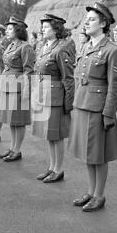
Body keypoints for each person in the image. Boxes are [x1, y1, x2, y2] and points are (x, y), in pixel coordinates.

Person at [68, 2, 117, 212]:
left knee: (98, 155)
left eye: (91, 19)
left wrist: (109, 114)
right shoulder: (86, 46)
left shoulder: (112, 50)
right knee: (87, 153)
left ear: (103, 23)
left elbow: (114, 86)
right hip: (82, 106)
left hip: (98, 110)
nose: (86, 22)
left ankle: (100, 195)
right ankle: (90, 192)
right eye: (87, 19)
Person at [32, 14, 75, 183]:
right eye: (42, 26)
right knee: (49, 135)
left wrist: (68, 104)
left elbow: (68, 78)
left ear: (56, 29)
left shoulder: (61, 48)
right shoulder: (44, 46)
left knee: (57, 136)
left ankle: (58, 169)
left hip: (56, 97)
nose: (43, 29)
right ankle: (51, 167)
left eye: (46, 27)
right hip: (44, 95)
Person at [0, 16, 35, 162]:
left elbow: (28, 71)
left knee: (18, 121)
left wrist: (26, 91)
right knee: (12, 121)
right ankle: (12, 147)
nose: (7, 31)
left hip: (19, 88)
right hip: (8, 87)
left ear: (18, 30)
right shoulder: (11, 45)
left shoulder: (26, 47)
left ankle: (17, 150)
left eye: (10, 28)